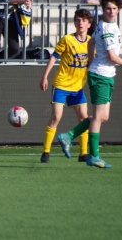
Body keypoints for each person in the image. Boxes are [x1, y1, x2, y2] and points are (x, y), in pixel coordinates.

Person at [57, 0, 122, 168]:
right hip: (101, 75)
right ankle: (94, 156)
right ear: (103, 9)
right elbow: (111, 56)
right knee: (98, 116)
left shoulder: (105, 25)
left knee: (103, 117)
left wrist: (90, 63)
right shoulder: (107, 28)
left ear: (118, 9)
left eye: (114, 8)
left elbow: (91, 43)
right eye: (108, 8)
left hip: (106, 75)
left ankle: (68, 136)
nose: (111, 11)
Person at [39, 9, 93, 163]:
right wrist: (45, 76)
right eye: (78, 20)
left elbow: (92, 63)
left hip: (77, 87)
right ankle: (46, 152)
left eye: (83, 20)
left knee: (83, 119)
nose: (80, 23)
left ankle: (83, 154)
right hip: (61, 85)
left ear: (89, 24)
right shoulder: (67, 40)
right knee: (56, 117)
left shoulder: (91, 42)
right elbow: (54, 57)